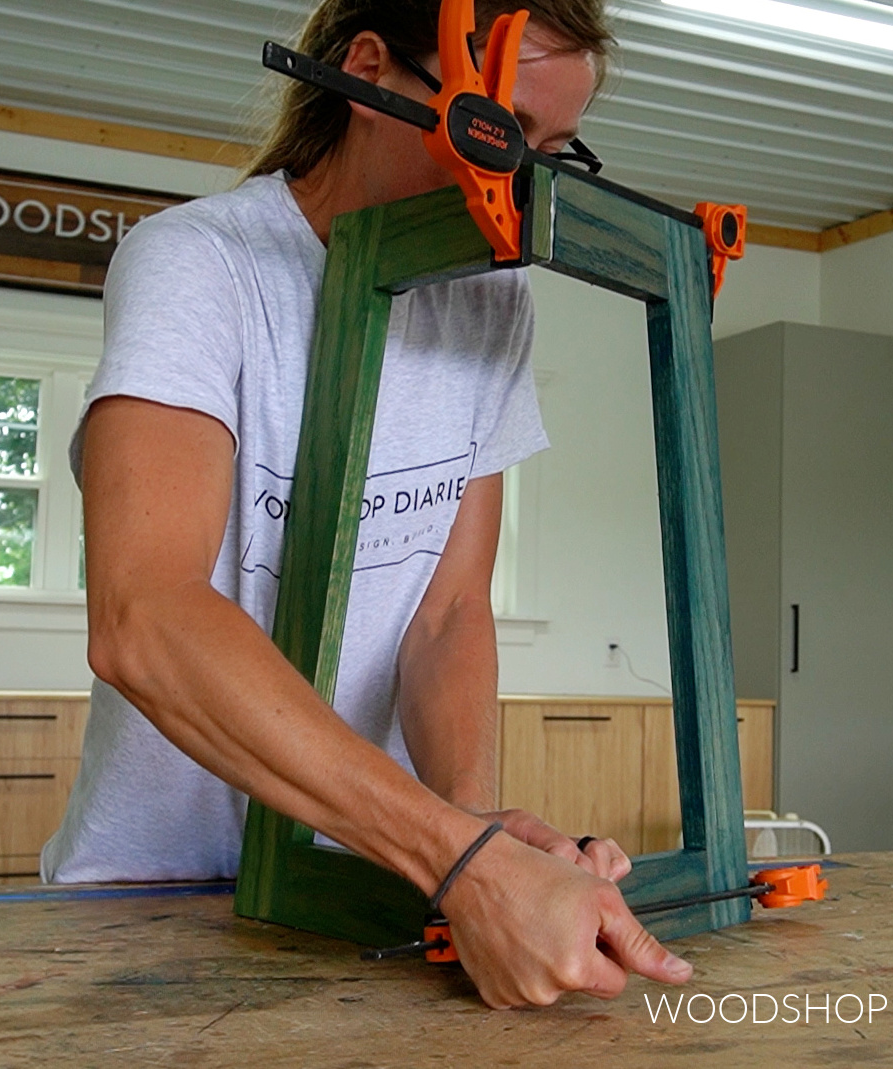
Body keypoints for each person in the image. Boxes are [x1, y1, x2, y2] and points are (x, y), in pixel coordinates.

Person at [41, 0, 693, 1008]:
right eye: (499, 134)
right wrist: (455, 853)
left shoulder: (490, 299)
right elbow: (147, 615)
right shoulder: (204, 263)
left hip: (374, 885)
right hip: (157, 891)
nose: (516, 180)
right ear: (374, 73)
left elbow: (447, 612)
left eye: (551, 152)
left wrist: (478, 829)